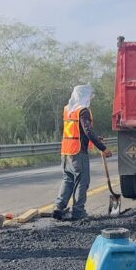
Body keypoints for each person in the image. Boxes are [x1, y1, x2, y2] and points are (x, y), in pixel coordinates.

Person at [53, 85, 112, 221]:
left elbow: (77, 130)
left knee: (68, 179)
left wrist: (95, 138)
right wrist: (103, 148)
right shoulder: (82, 111)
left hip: (66, 151)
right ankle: (79, 211)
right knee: (82, 181)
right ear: (84, 95)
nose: (90, 98)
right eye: (89, 96)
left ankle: (59, 207)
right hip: (78, 151)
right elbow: (87, 131)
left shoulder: (68, 110)